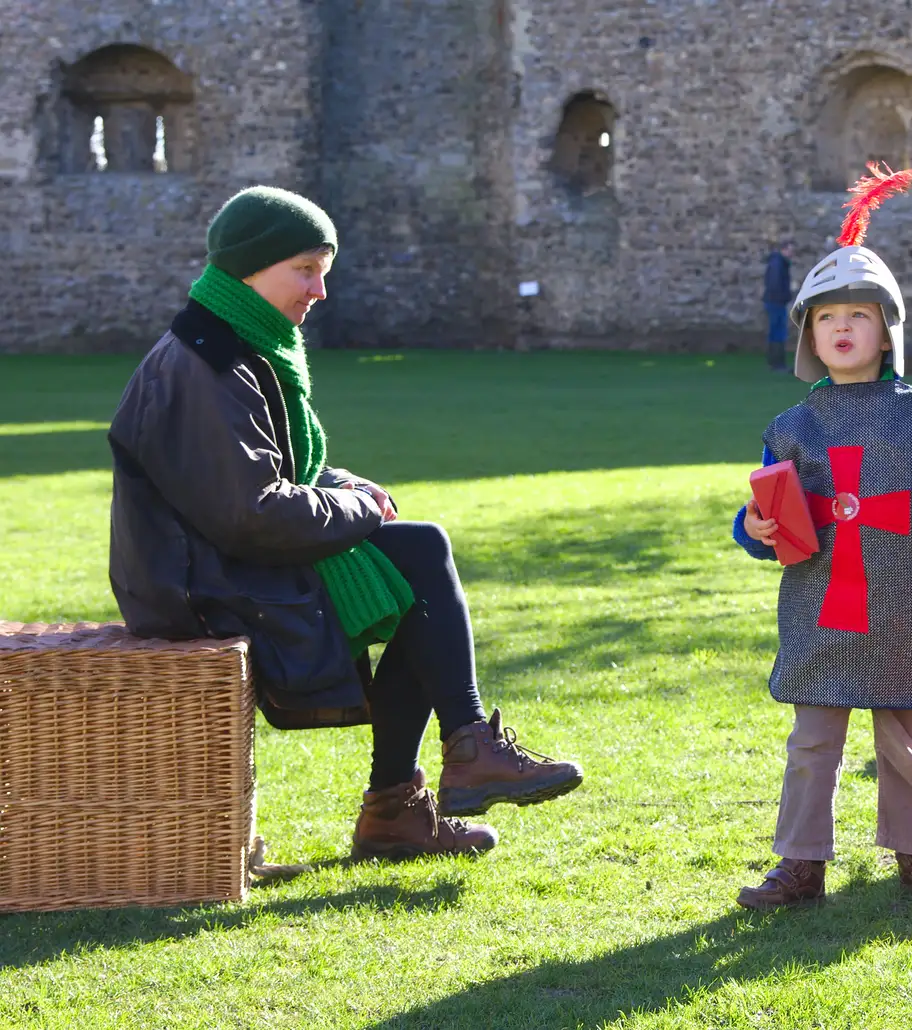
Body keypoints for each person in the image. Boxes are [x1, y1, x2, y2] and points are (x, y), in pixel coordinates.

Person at [107, 186, 583, 861]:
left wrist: (337, 484)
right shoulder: (207, 365)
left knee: (414, 564)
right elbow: (253, 512)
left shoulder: (232, 345)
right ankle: (435, 773)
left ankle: (424, 786)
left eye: (323, 270)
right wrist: (356, 507)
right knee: (416, 564)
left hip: (216, 564)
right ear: (249, 268)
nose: (320, 290)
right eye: (306, 269)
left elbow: (262, 476)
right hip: (199, 588)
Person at [730, 167, 912, 909]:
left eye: (859, 316)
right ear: (809, 333)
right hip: (822, 605)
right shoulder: (793, 425)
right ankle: (800, 862)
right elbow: (766, 515)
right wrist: (753, 527)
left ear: (887, 331)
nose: (842, 328)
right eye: (827, 317)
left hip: (904, 600)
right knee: (813, 745)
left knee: (903, 745)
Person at [763, 240, 797, 371]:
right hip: (776, 302)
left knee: (775, 331)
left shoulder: (778, 262)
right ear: (784, 249)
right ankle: (778, 364)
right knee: (778, 332)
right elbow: (775, 284)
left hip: (774, 301)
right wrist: (784, 297)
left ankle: (773, 362)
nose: (791, 254)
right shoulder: (778, 264)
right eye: (790, 250)